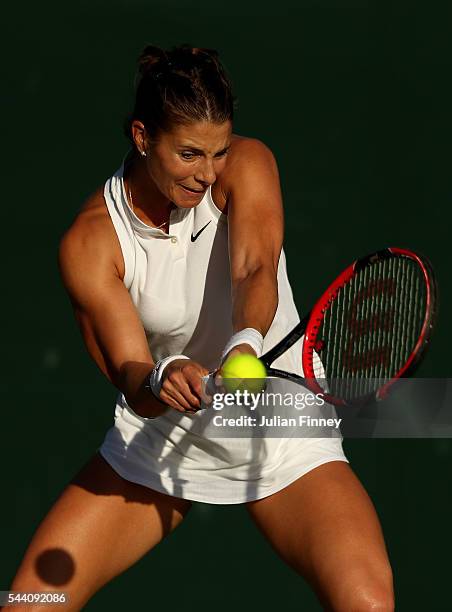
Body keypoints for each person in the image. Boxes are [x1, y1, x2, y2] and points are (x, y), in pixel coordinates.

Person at [10, 45, 394, 611]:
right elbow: (131, 377)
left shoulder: (248, 163)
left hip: (279, 426)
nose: (208, 172)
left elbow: (255, 268)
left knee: (368, 604)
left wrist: (245, 346)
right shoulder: (91, 243)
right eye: (189, 154)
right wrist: (163, 377)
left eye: (218, 151)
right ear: (142, 137)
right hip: (164, 442)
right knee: (26, 605)